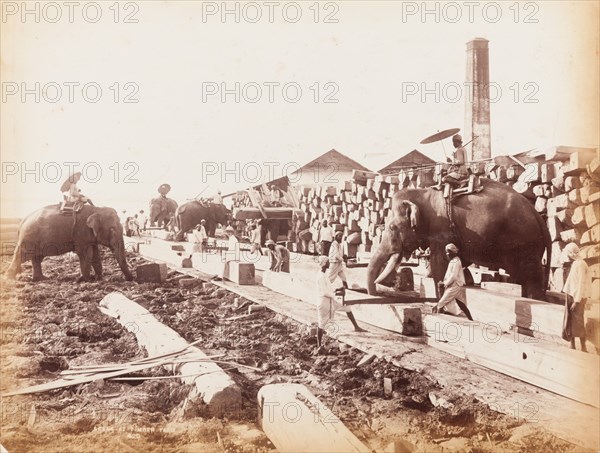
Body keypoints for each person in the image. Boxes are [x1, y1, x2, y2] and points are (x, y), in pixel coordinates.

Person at [315, 256, 365, 352]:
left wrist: (338, 289)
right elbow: (325, 292)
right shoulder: (320, 276)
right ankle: (319, 344)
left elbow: (328, 289)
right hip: (324, 302)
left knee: (347, 307)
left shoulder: (324, 274)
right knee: (321, 323)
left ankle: (356, 327)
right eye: (328, 262)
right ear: (324, 263)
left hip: (330, 300)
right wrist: (336, 294)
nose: (330, 263)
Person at [561, 243, 591, 352]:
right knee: (569, 320)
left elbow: (581, 284)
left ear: (572, 254)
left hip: (577, 297)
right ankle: (572, 344)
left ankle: (583, 347)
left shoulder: (581, 264)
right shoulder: (575, 263)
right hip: (570, 295)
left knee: (578, 321)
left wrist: (577, 301)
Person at [432, 243, 473, 320]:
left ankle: (437, 318)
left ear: (453, 252)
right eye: (446, 252)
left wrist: (444, 283)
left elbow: (453, 276)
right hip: (454, 284)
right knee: (460, 303)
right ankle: (470, 319)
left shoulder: (457, 262)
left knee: (441, 303)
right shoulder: (453, 261)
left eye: (448, 252)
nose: (447, 254)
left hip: (455, 285)